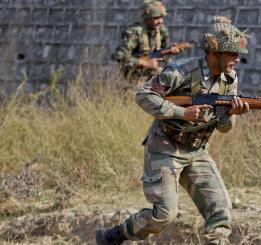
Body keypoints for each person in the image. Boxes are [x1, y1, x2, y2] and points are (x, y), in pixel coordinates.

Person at [96, 16, 250, 245]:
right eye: (232, 54)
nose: (237, 60)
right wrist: (181, 113)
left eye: (238, 55)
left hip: (198, 152)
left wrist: (231, 115)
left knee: (220, 212)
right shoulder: (181, 71)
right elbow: (144, 95)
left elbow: (224, 127)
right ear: (212, 52)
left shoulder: (230, 78)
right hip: (165, 148)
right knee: (164, 215)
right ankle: (113, 237)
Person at [112, 0, 181, 91]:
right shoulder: (134, 33)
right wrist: (146, 63)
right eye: (156, 18)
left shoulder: (162, 31)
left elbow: (163, 55)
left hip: (152, 73)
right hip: (133, 75)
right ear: (146, 18)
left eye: (162, 17)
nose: (160, 21)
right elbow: (120, 56)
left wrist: (170, 51)